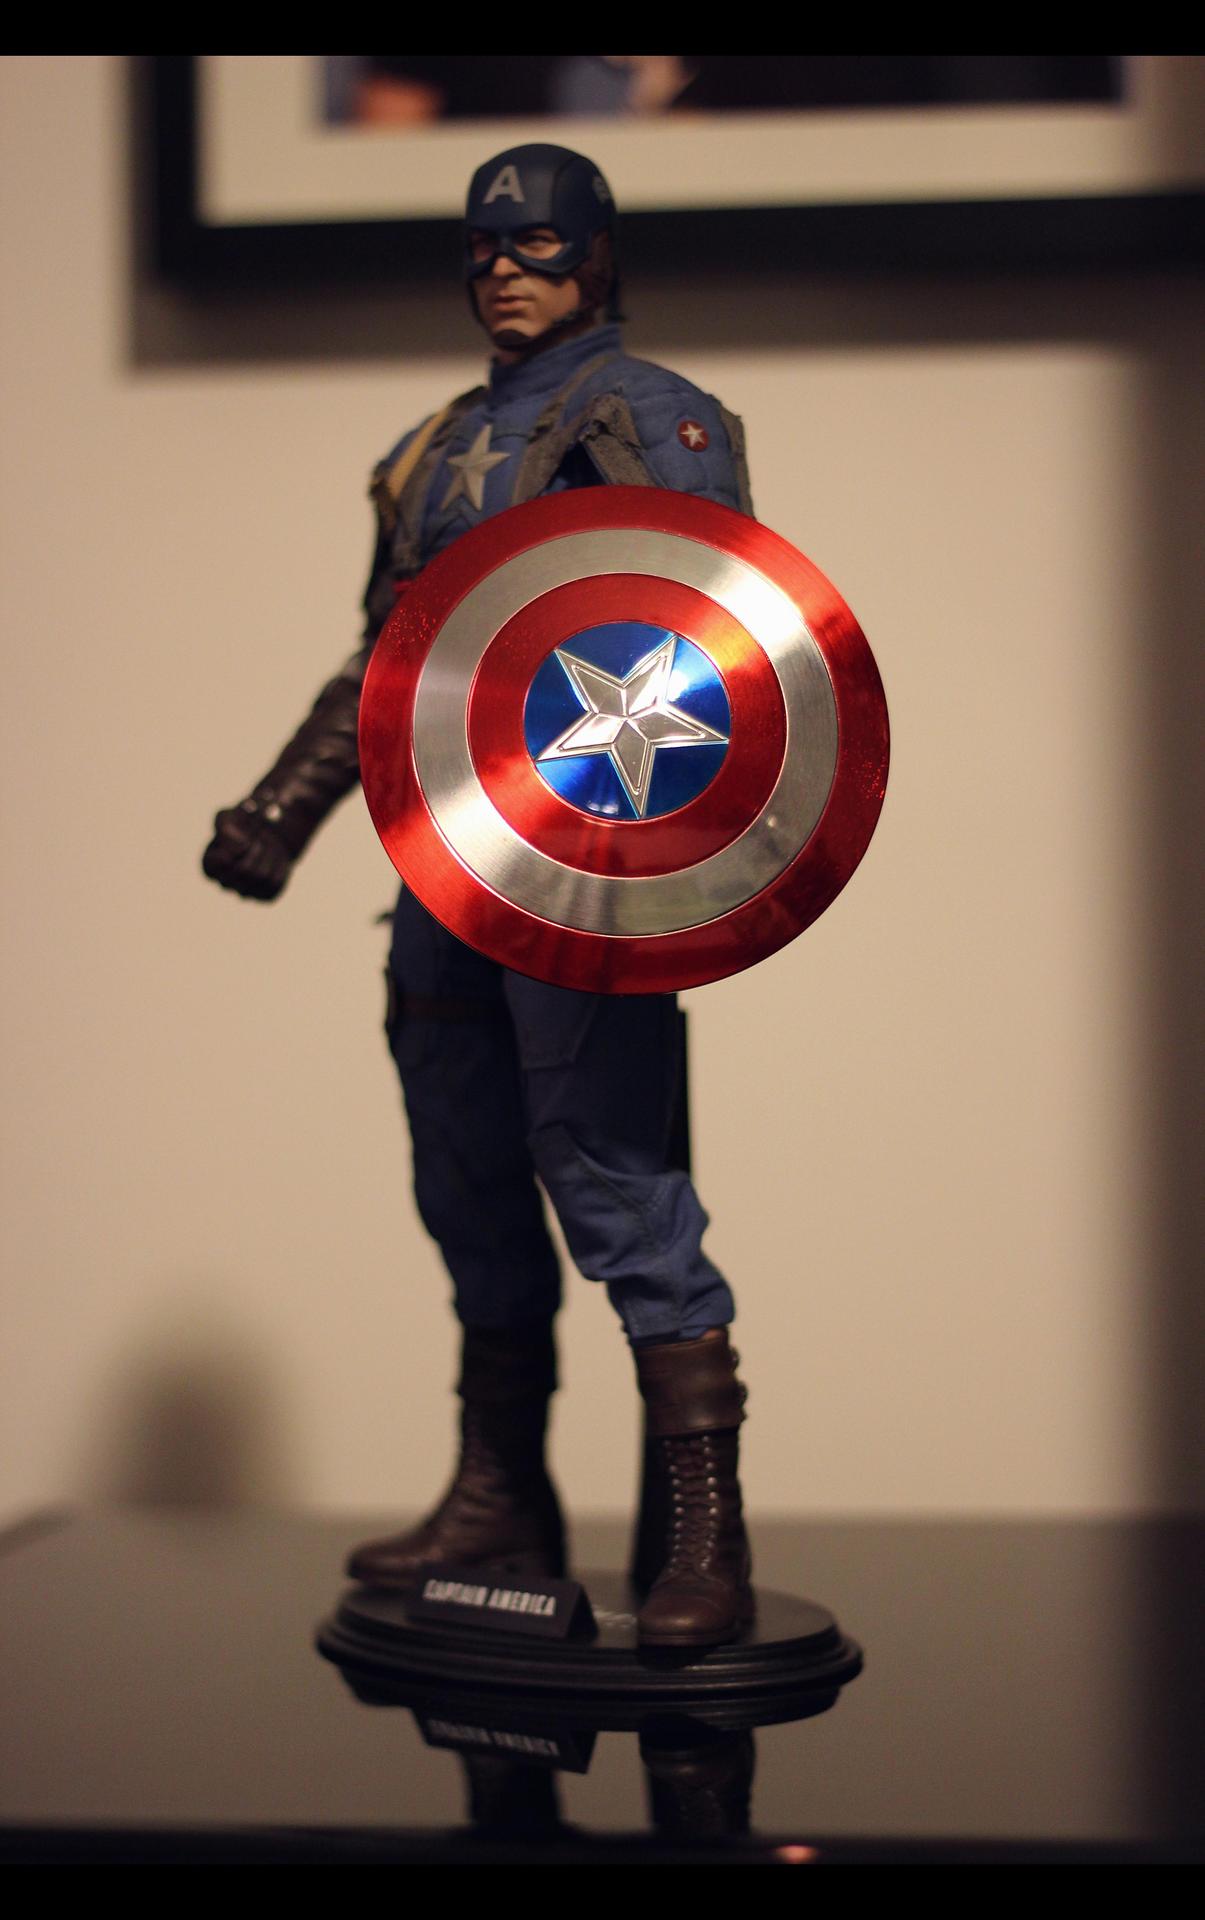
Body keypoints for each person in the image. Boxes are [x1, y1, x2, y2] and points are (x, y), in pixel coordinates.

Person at [203, 145, 755, 1646]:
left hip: (585, 865)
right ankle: (499, 1494)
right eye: (485, 247)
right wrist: (283, 808)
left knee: (609, 1167)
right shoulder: (432, 450)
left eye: (540, 242)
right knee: (463, 1170)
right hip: (441, 860)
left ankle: (703, 1527)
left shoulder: (651, 419)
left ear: (599, 255)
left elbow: (718, 635)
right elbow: (389, 665)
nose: (507, 268)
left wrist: (665, 864)